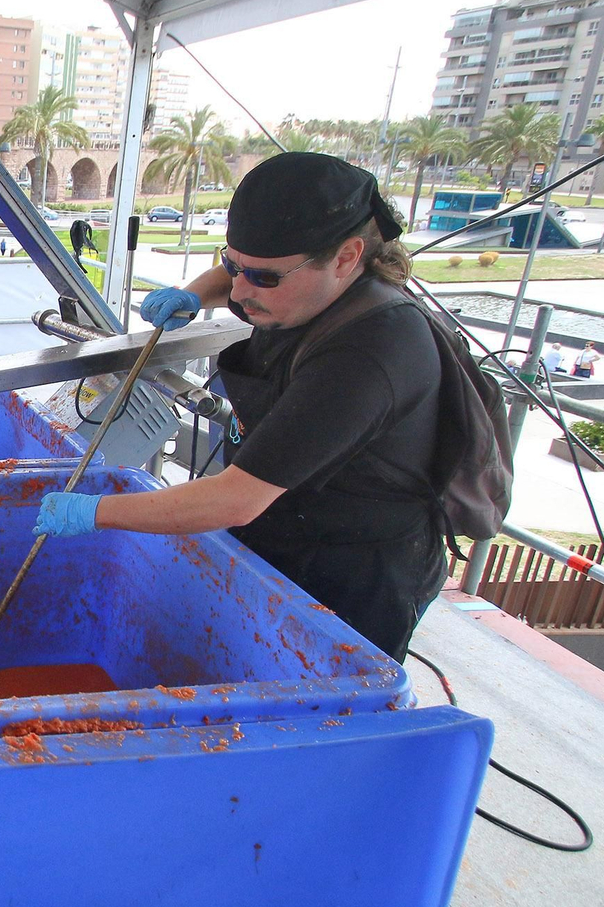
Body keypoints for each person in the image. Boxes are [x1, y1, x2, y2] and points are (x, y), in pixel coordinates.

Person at [35, 152, 442, 663]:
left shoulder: (369, 352)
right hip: (276, 529)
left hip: (349, 569)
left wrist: (92, 512)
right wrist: (193, 292)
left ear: (346, 257)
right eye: (234, 267)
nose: (242, 291)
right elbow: (246, 270)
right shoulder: (302, 287)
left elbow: (234, 500)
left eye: (264, 279)